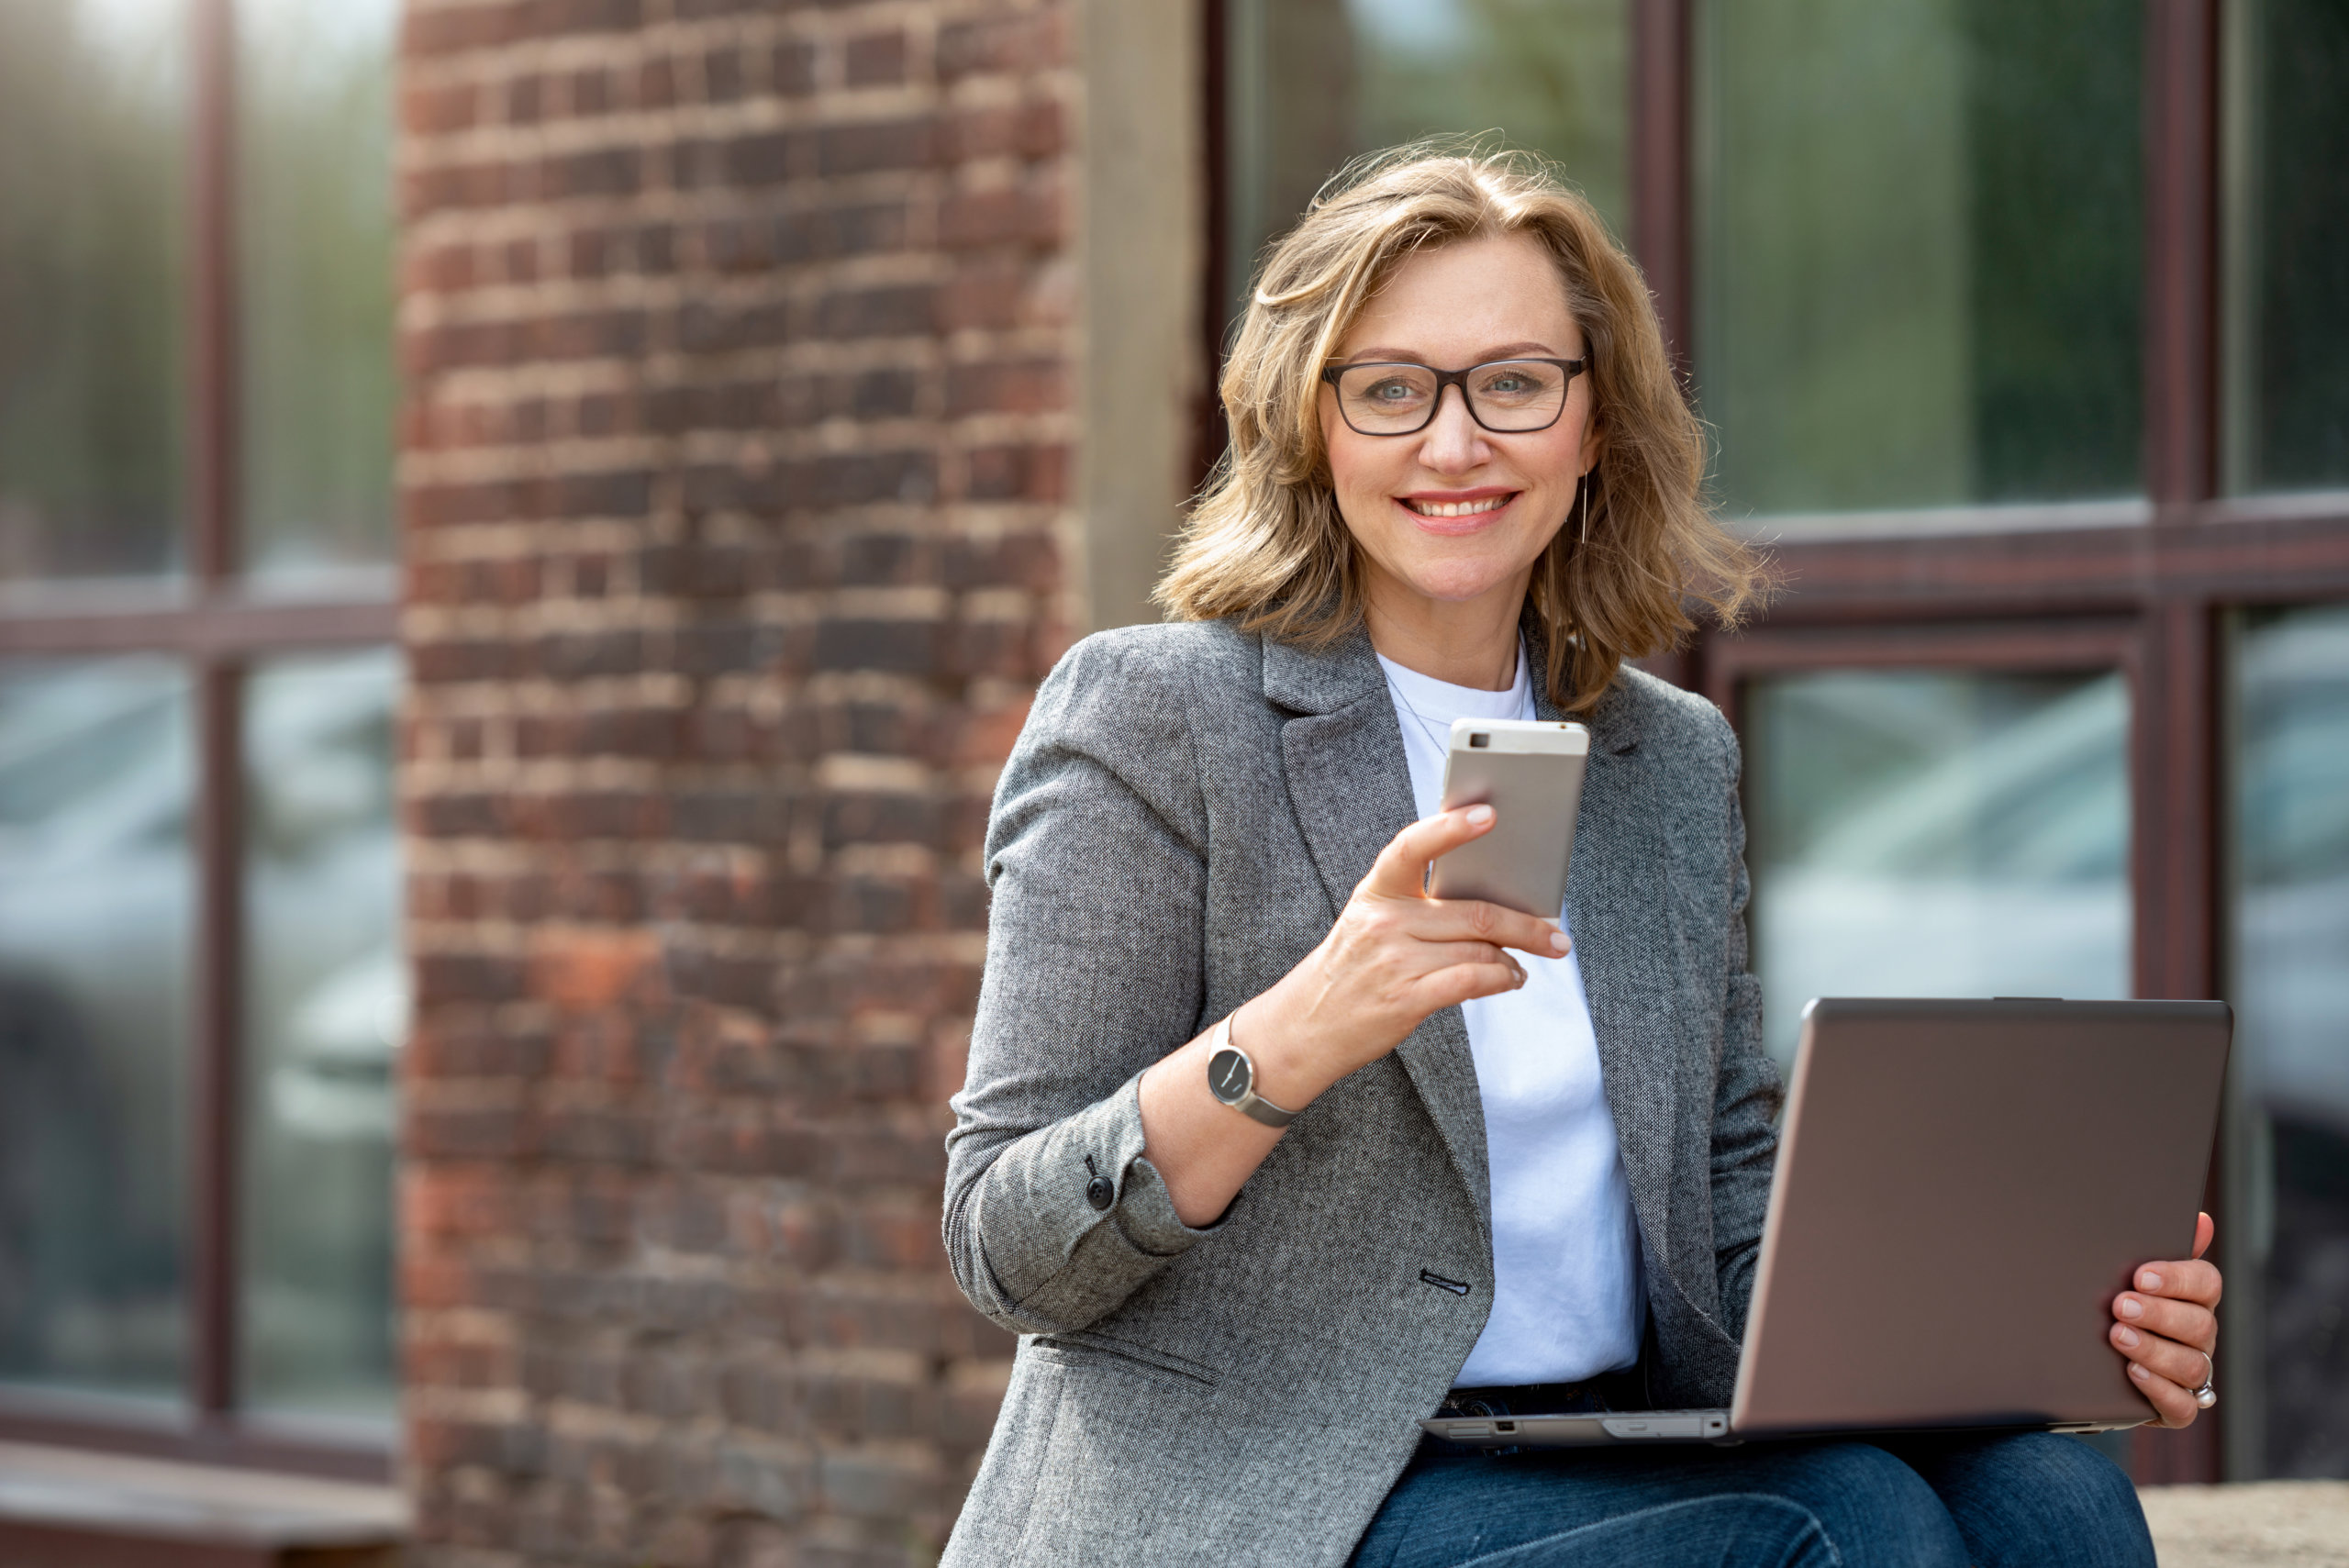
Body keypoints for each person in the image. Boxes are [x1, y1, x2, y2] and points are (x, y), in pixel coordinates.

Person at [939, 148, 2220, 1567]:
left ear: (1594, 419)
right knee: (1839, 1528)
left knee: (2056, 1499)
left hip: (1609, 1437)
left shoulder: (1664, 760)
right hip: (1273, 1489)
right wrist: (1296, 1031)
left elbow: (1728, 1216)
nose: (1453, 442)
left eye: (1513, 382)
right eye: (1390, 387)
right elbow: (1007, 1243)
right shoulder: (1156, 716)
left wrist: (2047, 1312)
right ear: (1313, 426)